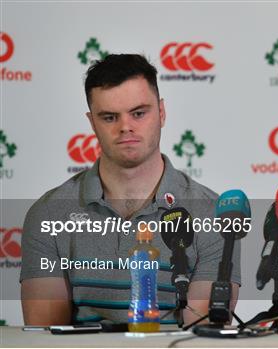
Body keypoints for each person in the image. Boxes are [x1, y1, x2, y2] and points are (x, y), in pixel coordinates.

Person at [20, 54, 241, 325]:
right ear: (92, 123)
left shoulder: (211, 214)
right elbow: (45, 336)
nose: (126, 127)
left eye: (139, 113)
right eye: (110, 117)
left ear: (161, 113)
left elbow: (204, 334)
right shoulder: (48, 214)